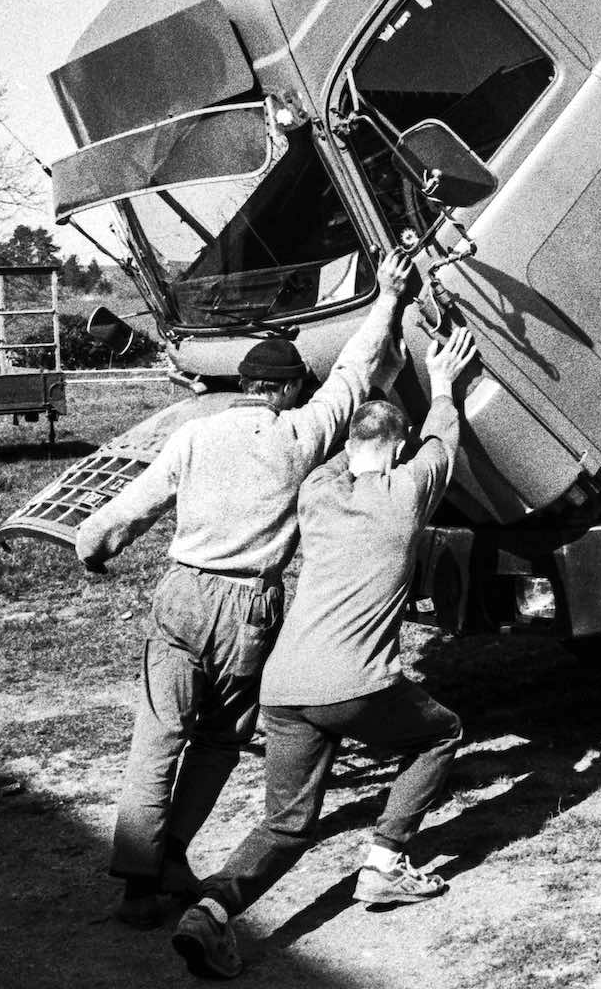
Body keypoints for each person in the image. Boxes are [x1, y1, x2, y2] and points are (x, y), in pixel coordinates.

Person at [76, 250, 413, 928]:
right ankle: (174, 852)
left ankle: (140, 884)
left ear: (246, 383)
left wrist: (95, 545)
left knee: (157, 739)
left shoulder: (194, 434)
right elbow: (354, 369)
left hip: (183, 593)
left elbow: (133, 507)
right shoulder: (302, 434)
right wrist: (388, 295)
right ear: (285, 391)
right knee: (218, 743)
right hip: (250, 607)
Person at [170, 326, 479, 980]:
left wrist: (376, 388)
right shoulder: (406, 494)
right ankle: (385, 861)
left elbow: (349, 450)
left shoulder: (317, 492)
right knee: (440, 734)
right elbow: (443, 438)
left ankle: (212, 910)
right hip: (357, 684)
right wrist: (443, 383)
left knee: (286, 823)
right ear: (399, 449)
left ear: (349, 447)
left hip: (283, 687)